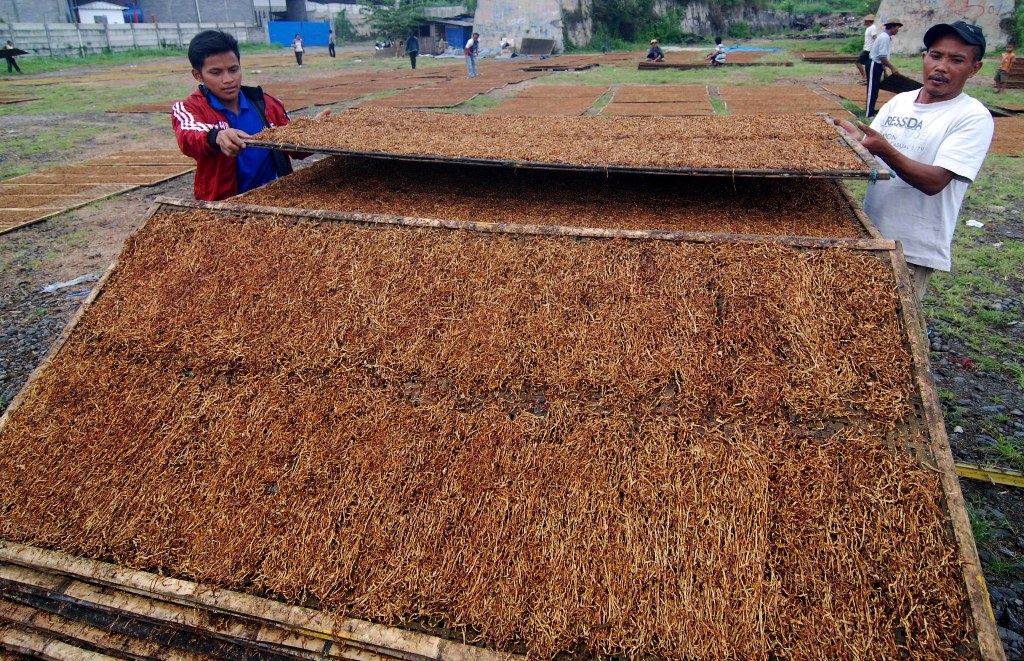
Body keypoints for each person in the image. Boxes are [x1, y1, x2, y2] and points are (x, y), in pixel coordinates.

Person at [837, 21, 994, 307]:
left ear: (975, 68)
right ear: (924, 58)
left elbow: (935, 182)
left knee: (895, 332)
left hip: (912, 247)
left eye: (956, 60)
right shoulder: (900, 103)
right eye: (936, 55)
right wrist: (855, 140)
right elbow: (871, 156)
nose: (942, 66)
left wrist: (885, 150)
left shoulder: (972, 117)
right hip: (871, 233)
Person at [171, 30, 330, 201]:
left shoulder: (266, 103)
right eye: (216, 72)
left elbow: (294, 148)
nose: (228, 79)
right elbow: (189, 135)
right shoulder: (190, 107)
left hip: (277, 199)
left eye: (233, 69)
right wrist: (217, 136)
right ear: (198, 75)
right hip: (226, 206)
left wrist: (315, 132)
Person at [866, 18, 902, 117]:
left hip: (878, 65)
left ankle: (871, 111)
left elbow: (883, 56)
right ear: (893, 27)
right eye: (897, 28)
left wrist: (884, 70)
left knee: (875, 89)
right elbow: (882, 57)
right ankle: (869, 114)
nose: (898, 30)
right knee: (872, 89)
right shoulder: (884, 38)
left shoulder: (886, 37)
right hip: (874, 64)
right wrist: (892, 68)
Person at [856, 15, 879, 84]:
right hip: (867, 48)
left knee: (858, 62)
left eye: (865, 21)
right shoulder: (869, 28)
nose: (864, 22)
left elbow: (875, 37)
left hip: (869, 49)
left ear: (869, 21)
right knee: (868, 64)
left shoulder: (872, 28)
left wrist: (876, 48)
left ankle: (865, 77)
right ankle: (868, 78)